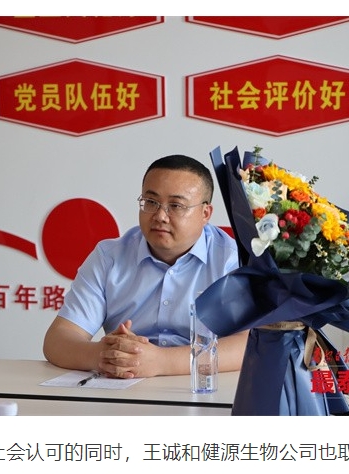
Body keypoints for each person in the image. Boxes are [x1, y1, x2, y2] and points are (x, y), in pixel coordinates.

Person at [43, 154, 248, 378]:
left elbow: (250, 343)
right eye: (151, 202)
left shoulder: (232, 260)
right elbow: (58, 340)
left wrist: (162, 362)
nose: (160, 216)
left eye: (176, 206)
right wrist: (106, 355)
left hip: (202, 385)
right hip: (125, 386)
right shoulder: (109, 257)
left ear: (205, 213)